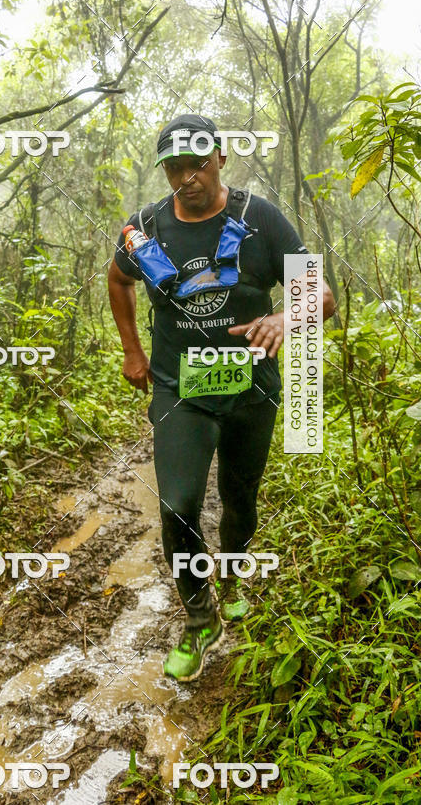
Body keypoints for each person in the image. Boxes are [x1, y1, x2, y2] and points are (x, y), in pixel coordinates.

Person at [108, 114, 336, 682]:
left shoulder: (260, 219)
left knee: (239, 501)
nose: (186, 177)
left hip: (250, 388)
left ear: (221, 160)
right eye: (175, 167)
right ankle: (199, 615)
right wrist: (133, 352)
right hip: (177, 387)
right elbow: (118, 280)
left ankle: (231, 573)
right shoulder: (143, 228)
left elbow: (323, 296)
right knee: (178, 504)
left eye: (197, 164)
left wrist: (287, 316)